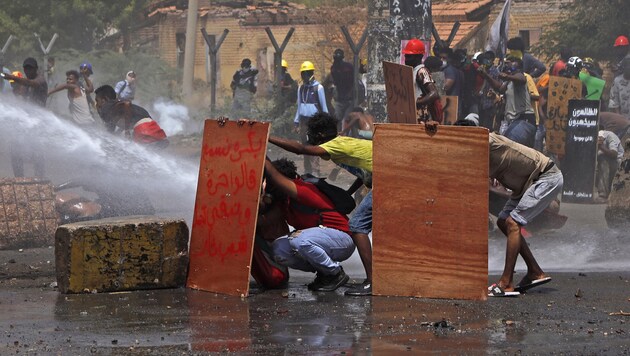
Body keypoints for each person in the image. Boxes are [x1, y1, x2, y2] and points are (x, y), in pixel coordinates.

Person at [457, 119, 562, 295]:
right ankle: (535, 272)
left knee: (512, 223)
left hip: (545, 177)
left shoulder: (487, 141)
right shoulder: (477, 152)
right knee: (503, 221)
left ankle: (506, 283)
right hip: (528, 184)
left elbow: (482, 138)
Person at [262, 157, 355, 291]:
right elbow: (265, 220)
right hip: (318, 241)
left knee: (298, 240)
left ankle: (335, 274)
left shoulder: (304, 189)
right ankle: (324, 272)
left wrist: (262, 155)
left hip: (342, 239)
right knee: (279, 249)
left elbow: (275, 176)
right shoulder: (284, 201)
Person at [2, 57, 48, 178]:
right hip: (26, 121)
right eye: (26, 68)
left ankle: (39, 178)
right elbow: (20, 98)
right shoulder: (25, 83)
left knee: (37, 151)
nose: (28, 70)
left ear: (36, 68)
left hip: (38, 121)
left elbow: (32, 84)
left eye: (30, 68)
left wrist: (12, 77)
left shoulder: (40, 80)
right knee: (15, 149)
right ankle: (19, 179)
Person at [480, 56, 536, 148]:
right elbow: (499, 88)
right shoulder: (509, 82)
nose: (508, 66)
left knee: (506, 147)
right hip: (515, 122)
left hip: (524, 120)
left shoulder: (520, 76)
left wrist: (507, 76)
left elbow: (521, 78)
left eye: (511, 64)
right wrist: (485, 75)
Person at [94, 84, 168, 149]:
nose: (97, 104)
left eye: (97, 101)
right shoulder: (115, 109)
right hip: (153, 128)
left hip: (143, 129)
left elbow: (127, 104)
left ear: (105, 99)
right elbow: (111, 131)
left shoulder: (108, 105)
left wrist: (126, 130)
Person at [293, 61, 328, 176]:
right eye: (303, 73)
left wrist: (325, 124)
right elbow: (299, 106)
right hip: (303, 121)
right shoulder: (301, 88)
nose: (305, 76)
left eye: (307, 73)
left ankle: (315, 173)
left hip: (314, 122)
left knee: (313, 147)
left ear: (312, 73)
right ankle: (307, 172)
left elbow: (324, 108)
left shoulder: (318, 88)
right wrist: (296, 121)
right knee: (304, 147)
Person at [402, 39, 442, 123]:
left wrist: (417, 102)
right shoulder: (411, 71)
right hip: (411, 116)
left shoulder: (422, 71)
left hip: (421, 119)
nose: (406, 59)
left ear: (419, 57)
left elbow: (434, 93)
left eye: (409, 56)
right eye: (406, 56)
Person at [595, 129, 624, 202]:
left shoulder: (610, 136)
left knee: (603, 159)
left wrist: (601, 146)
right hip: (603, 164)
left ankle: (603, 195)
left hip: (618, 163)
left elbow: (614, 154)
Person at [329, 48, 355, 125]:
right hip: (340, 99)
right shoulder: (334, 69)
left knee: (347, 121)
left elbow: (353, 81)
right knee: (338, 120)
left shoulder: (348, 67)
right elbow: (335, 82)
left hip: (349, 99)